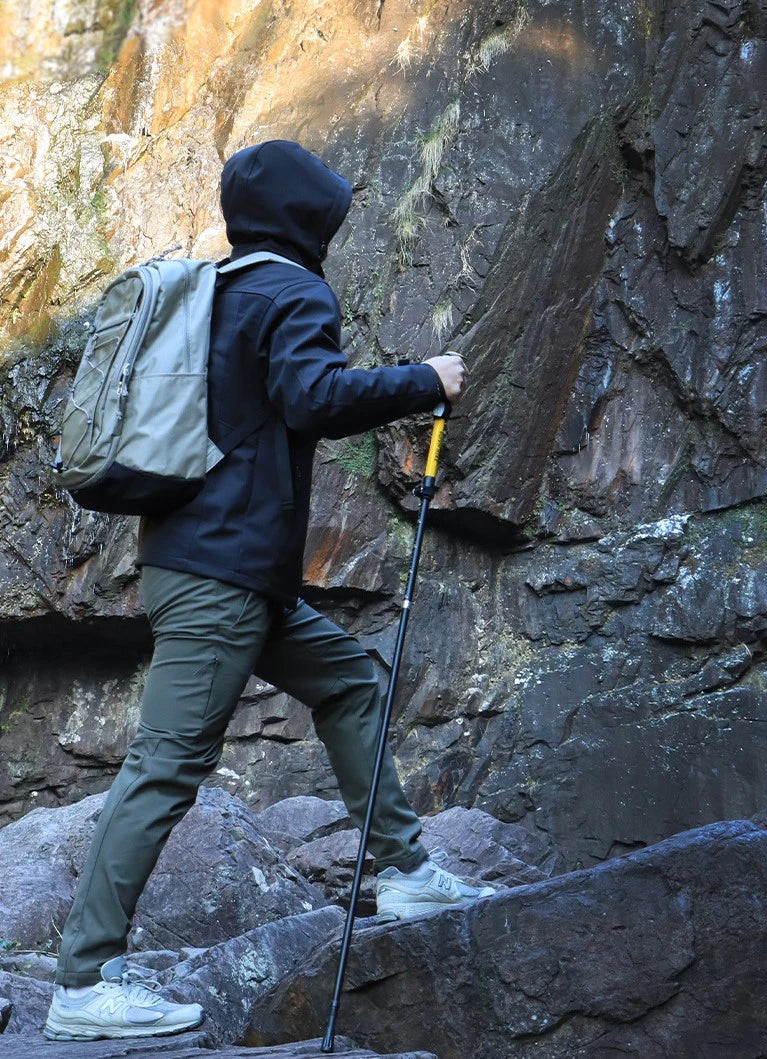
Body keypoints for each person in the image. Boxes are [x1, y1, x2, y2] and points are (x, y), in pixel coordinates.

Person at [44, 140, 493, 1042]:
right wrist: (423, 380)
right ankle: (84, 982)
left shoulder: (212, 293)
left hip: (215, 567)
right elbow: (312, 396)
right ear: (302, 217)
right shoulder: (290, 289)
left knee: (351, 679)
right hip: (222, 580)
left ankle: (403, 867)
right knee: (167, 764)